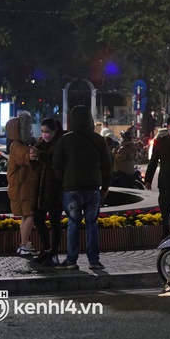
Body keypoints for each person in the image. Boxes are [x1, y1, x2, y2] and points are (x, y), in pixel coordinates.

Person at [53, 105, 112, 270]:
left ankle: (72, 260)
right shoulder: (98, 140)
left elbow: (56, 164)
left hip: (71, 189)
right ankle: (94, 260)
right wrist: (106, 186)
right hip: (93, 188)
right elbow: (107, 165)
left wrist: (64, 179)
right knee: (92, 224)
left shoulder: (65, 140)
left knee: (73, 224)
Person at [29, 118, 64, 266]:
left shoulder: (60, 144)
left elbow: (56, 164)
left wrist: (40, 156)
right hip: (41, 188)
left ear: (55, 131)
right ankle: (46, 248)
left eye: (47, 132)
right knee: (38, 218)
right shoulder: (41, 143)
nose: (45, 135)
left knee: (55, 221)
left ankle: (53, 253)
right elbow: (35, 164)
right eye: (43, 131)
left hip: (55, 187)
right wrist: (32, 157)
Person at [5, 111, 39, 256]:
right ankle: (23, 244)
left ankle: (24, 244)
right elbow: (28, 157)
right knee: (30, 214)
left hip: (21, 187)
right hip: (22, 188)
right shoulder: (19, 147)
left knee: (26, 215)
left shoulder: (15, 145)